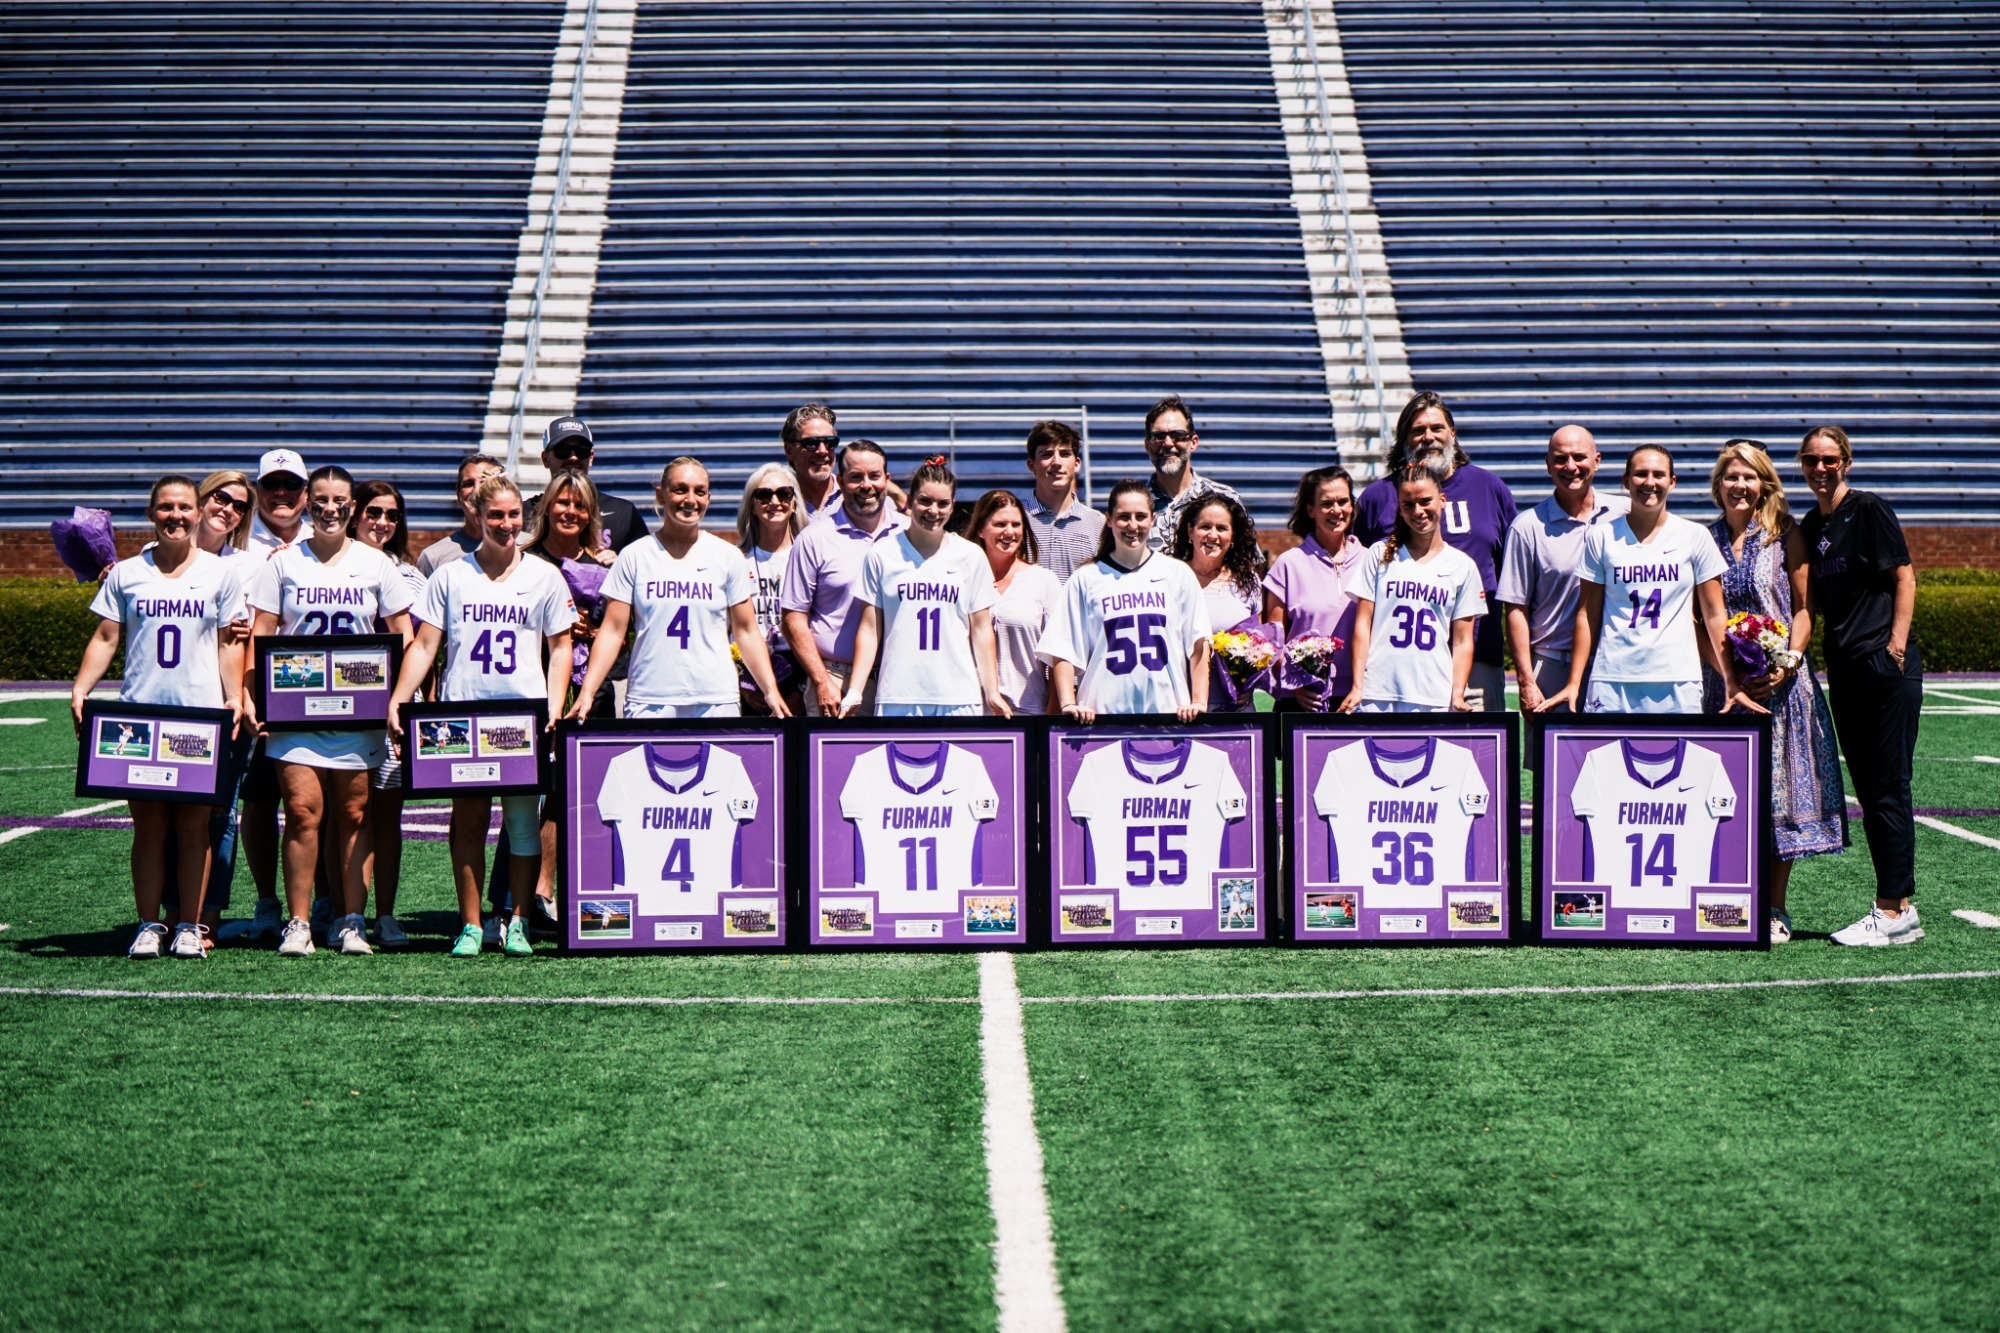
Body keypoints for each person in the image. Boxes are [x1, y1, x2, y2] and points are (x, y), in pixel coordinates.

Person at [389, 474, 576, 957]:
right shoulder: (451, 575)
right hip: (463, 716)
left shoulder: (543, 575)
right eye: (496, 514)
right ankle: (471, 924)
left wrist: (555, 704)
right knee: (467, 820)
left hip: (521, 715)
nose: (507, 523)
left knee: (520, 821)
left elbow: (560, 647)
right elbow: (426, 643)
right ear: (475, 513)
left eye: (514, 514)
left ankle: (517, 920)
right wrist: (400, 697)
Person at [71, 476, 248, 959]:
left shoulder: (221, 573)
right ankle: (150, 924)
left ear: (197, 513)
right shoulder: (128, 572)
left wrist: (234, 695)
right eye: (166, 507)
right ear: (152, 513)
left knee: (194, 828)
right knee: (148, 827)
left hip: (199, 719)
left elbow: (230, 641)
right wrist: (81, 688)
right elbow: (107, 637)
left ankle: (189, 925)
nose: (176, 515)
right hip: (142, 718)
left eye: (184, 507)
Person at [245, 465, 415, 957]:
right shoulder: (282, 563)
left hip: (358, 710)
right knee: (301, 813)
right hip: (296, 710)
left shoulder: (376, 563)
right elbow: (262, 635)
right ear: (305, 503)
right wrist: (256, 697)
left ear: (353, 506)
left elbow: (401, 635)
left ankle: (351, 921)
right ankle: (298, 923)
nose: (330, 507)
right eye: (319, 498)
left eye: (340, 499)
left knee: (355, 814)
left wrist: (395, 698)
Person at [1702, 441, 1845, 944]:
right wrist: (1728, 674)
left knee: (1777, 795)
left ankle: (1774, 907)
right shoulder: (1703, 539)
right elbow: (1700, 619)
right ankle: (1723, 898)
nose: (1740, 485)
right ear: (1718, 484)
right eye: (1731, 477)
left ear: (1764, 483)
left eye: (1749, 477)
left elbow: (1804, 610)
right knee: (1724, 794)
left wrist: (1787, 661)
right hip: (1722, 686)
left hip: (1783, 687)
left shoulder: (1786, 535)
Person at [1799, 425, 1924, 947]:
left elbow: (1904, 577)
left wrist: (1895, 647)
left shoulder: (1868, 509)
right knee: (1871, 790)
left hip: (1882, 664)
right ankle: (1899, 906)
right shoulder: (1811, 522)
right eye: (1811, 460)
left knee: (1888, 787)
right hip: (1845, 668)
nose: (1820, 468)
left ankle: (1893, 911)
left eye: (1830, 459)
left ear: (1845, 462)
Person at [1544, 446, 1756, 716]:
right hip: (1613, 679)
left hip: (1678, 680)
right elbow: (1588, 615)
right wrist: (1573, 683)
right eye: (1640, 474)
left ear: (1672, 481)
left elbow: (1714, 614)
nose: (1650, 482)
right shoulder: (1602, 536)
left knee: (1679, 758)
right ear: (1626, 480)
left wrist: (1730, 680)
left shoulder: (1695, 536)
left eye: (1658, 474)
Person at [570, 458, 789, 720]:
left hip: (715, 699)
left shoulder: (727, 557)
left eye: (699, 491)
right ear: (661, 495)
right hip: (649, 698)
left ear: (709, 497)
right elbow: (613, 631)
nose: (690, 499)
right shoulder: (635, 556)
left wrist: (770, 690)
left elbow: (746, 631)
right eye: (680, 489)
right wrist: (587, 693)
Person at [1354, 393, 1516, 708]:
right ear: (1403, 439)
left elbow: (1513, 575)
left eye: (1437, 428)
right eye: (1417, 430)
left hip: (1476, 659)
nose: (1428, 437)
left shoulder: (1491, 489)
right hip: (1394, 668)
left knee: (1475, 754)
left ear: (1452, 433)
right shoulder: (1376, 498)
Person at [159, 469, 260, 946]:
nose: (229, 509)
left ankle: (206, 915)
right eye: (222, 497)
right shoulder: (151, 558)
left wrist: (240, 696)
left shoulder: (249, 562)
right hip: (164, 702)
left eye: (240, 505)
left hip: (223, 701)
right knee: (163, 813)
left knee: (220, 812)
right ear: (202, 499)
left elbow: (257, 632)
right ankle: (167, 912)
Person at [843, 457, 1008, 718]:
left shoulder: (971, 556)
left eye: (943, 503)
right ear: (909, 501)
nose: (934, 511)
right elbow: (869, 629)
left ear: (953, 506)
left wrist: (991, 691)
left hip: (958, 695)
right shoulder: (882, 554)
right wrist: (855, 690)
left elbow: (981, 629)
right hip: (898, 694)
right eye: (925, 501)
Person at [1038, 479, 1211, 722]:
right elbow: (1062, 648)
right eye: (1124, 517)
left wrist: (1198, 701)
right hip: (1102, 717)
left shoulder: (1178, 574)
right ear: (1108, 520)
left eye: (1141, 516)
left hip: (1168, 714)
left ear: (1153, 518)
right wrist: (1069, 703)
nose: (1133, 525)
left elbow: (1199, 643)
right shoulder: (1086, 578)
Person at [1498, 425, 1628, 712]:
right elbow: (1516, 609)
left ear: (1597, 460)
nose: (1570, 466)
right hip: (1552, 666)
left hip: (1614, 663)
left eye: (1579, 457)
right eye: (1560, 458)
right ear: (1548, 465)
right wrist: (1526, 680)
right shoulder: (1527, 527)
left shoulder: (1626, 515)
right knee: (1544, 756)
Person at [347, 481, 427, 948]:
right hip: (340, 710)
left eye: (392, 515)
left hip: (394, 709)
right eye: (374, 511)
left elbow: (423, 645)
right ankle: (339, 908)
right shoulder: (331, 562)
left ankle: (387, 913)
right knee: (346, 815)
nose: (382, 522)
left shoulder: (411, 574)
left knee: (387, 815)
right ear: (356, 513)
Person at [1340, 459, 1485, 713]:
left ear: (1442, 500)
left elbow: (1463, 641)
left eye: (1425, 501)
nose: (1418, 511)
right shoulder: (1380, 553)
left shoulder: (1463, 567)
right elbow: (1363, 625)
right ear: (1400, 508)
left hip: (1434, 694)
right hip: (1378, 692)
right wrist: (1358, 686)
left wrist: (1458, 693)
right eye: (1408, 504)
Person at [780, 439, 909, 715]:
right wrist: (821, 680)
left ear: (886, 479)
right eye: (855, 477)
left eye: (874, 476)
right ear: (839, 481)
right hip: (836, 679)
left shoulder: (909, 533)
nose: (866, 485)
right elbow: (793, 617)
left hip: (899, 679)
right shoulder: (814, 539)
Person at [1263, 465, 1365, 710]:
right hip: (1303, 700)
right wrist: (1296, 684)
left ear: (1352, 505)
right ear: (1311, 510)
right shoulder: (1288, 564)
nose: (1336, 510)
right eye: (1327, 503)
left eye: (1343, 501)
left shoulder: (1371, 560)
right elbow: (1273, 639)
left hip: (1358, 698)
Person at [968, 489, 1063, 713]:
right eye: (1000, 524)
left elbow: (1060, 655)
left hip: (1028, 713)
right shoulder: (962, 579)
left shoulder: (1044, 581)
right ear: (981, 529)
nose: (1009, 532)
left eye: (1016, 524)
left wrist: (1051, 713)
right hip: (971, 713)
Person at [735, 461, 807, 714]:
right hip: (750, 666)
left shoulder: (810, 557)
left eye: (784, 493)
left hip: (802, 666)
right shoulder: (736, 560)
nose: (774, 501)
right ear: (752, 506)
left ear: (795, 502)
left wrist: (803, 686)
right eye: (764, 495)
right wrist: (741, 681)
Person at [528, 416, 647, 551]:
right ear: (545, 459)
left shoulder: (623, 513)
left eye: (581, 450)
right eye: (563, 450)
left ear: (591, 458)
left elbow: (643, 566)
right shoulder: (522, 513)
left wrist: (619, 564)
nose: (573, 457)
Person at [1141, 395, 1239, 552]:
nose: (1167, 443)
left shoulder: (1225, 499)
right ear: (1147, 445)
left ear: (1193, 442)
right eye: (1158, 436)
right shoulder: (1134, 505)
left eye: (1177, 435)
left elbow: (1249, 563)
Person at [1021, 419, 1104, 581]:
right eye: (1046, 454)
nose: (1057, 462)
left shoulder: (1098, 524)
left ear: (1077, 463)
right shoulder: (1016, 520)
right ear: (1032, 465)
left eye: (1065, 454)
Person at [1172, 493, 1264, 632]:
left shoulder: (1248, 581)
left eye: (1221, 528)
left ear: (1233, 536)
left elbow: (1260, 641)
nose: (1213, 536)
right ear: (1191, 531)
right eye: (1205, 527)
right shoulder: (1172, 577)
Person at [417, 453, 505, 575]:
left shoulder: (527, 547)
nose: (477, 490)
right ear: (458, 496)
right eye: (468, 484)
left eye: (484, 482)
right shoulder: (433, 558)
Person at [781, 401, 843, 517]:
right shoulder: (779, 503)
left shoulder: (854, 495)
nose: (822, 451)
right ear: (789, 450)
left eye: (830, 442)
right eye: (811, 443)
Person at [245, 449, 308, 553]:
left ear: (307, 494)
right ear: (257, 493)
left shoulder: (320, 542)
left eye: (292, 484)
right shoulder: (234, 541)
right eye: (270, 483)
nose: (281, 492)